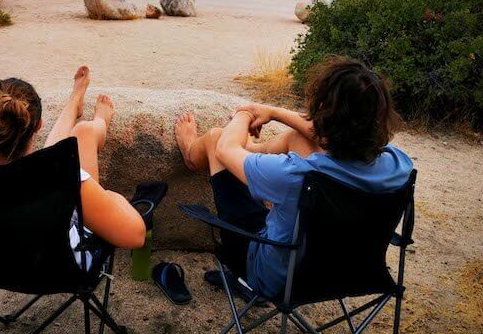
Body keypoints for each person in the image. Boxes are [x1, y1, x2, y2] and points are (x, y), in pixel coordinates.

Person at [174, 57, 413, 299]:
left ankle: (192, 154)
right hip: (351, 276)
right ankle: (254, 153)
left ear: (322, 113)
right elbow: (324, 136)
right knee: (298, 138)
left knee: (216, 137)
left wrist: (245, 113)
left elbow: (225, 150)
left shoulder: (299, 175)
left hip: (276, 279)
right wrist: (273, 113)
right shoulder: (399, 165)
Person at [0, 66, 146, 265]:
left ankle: (74, 102)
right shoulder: (65, 177)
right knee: (83, 134)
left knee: (53, 158)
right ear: (39, 126)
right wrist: (110, 196)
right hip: (59, 267)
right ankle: (91, 118)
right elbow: (135, 236)